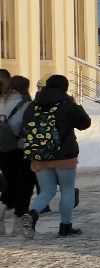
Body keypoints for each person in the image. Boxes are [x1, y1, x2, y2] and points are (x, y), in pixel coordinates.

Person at [21, 74, 91, 237]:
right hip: (64, 156)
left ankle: (32, 215)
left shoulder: (33, 106)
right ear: (65, 88)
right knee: (67, 190)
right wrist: (75, 105)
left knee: (47, 191)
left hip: (39, 155)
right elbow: (85, 123)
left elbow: (25, 126)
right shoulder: (67, 104)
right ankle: (65, 226)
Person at [0, 74, 31, 234]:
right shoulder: (26, 104)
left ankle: (2, 206)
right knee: (23, 185)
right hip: (20, 149)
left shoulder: (2, 101)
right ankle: (18, 224)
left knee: (10, 181)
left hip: (2, 149)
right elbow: (28, 128)